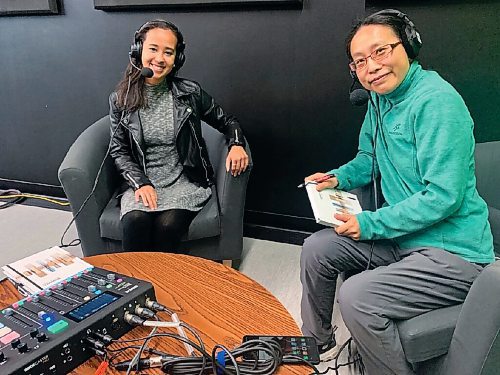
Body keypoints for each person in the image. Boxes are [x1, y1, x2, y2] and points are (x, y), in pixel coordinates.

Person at [300, 9, 494, 374]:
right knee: (316, 249)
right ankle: (314, 342)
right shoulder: (379, 100)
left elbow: (444, 196)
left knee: (356, 297)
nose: (371, 66)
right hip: (403, 235)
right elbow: (368, 157)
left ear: (408, 47)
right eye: (360, 61)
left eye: (381, 51)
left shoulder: (437, 103)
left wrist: (370, 223)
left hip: (453, 252)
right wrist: (337, 178)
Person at [109, 20, 249, 253]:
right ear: (138, 50)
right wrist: (140, 183)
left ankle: (168, 284)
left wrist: (236, 143)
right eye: (153, 49)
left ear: (177, 59)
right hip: (143, 181)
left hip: (184, 180)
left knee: (167, 226)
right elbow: (119, 150)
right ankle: (136, 285)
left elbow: (227, 121)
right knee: (135, 222)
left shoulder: (190, 92)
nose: (160, 58)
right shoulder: (120, 99)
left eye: (168, 52)